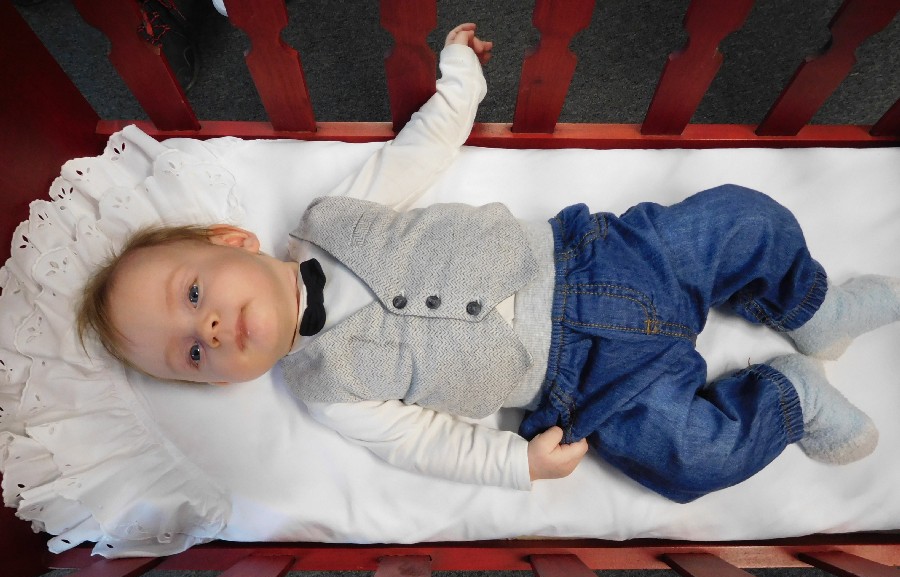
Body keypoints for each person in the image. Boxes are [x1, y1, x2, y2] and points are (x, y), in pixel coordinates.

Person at [77, 24, 900, 503]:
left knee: (741, 219)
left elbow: (415, 158)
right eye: (193, 354)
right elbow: (423, 444)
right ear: (222, 382)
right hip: (582, 385)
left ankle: (811, 307)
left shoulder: (330, 220)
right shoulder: (330, 391)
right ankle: (791, 399)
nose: (211, 327)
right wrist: (515, 462)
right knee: (686, 461)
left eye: (193, 292)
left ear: (232, 241)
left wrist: (459, 88)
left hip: (596, 262)